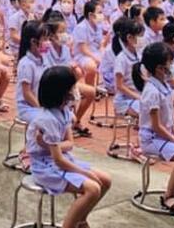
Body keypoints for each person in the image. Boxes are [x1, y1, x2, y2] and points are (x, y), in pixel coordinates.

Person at [26, 66, 111, 228]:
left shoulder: (65, 111)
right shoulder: (47, 119)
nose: (75, 90)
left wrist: (50, 145)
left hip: (62, 160)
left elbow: (70, 144)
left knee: (105, 180)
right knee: (93, 189)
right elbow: (58, 159)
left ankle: (80, 220)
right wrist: (85, 173)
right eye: (72, 87)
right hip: (45, 167)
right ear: (61, 92)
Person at [134, 42, 174, 214]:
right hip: (151, 139)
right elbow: (157, 126)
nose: (172, 66)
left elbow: (170, 119)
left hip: (165, 135)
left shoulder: (164, 85)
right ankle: (168, 196)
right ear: (159, 68)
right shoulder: (152, 91)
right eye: (170, 62)